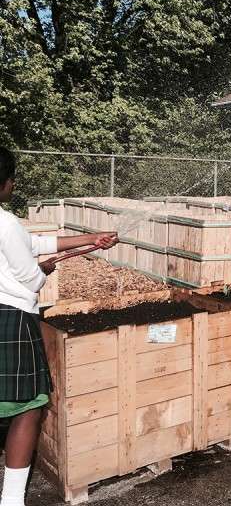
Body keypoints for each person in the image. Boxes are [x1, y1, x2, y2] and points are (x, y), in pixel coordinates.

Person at [0, 147, 119, 506]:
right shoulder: (4, 222)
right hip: (11, 321)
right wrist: (45, 270)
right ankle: (12, 500)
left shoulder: (8, 226)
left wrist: (89, 239)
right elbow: (30, 280)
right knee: (27, 409)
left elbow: (33, 242)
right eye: (10, 178)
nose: (14, 184)